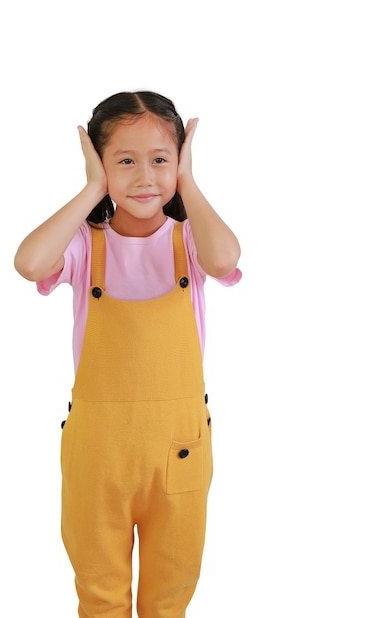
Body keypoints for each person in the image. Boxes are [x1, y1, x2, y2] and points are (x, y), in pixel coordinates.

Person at [14, 90, 242, 618]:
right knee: (100, 596)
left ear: (180, 162)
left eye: (160, 160)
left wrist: (188, 181)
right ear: (99, 163)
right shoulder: (84, 246)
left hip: (179, 450)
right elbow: (29, 262)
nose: (144, 176)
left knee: (168, 598)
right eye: (124, 161)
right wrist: (92, 189)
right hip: (100, 456)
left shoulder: (189, 242)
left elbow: (226, 255)